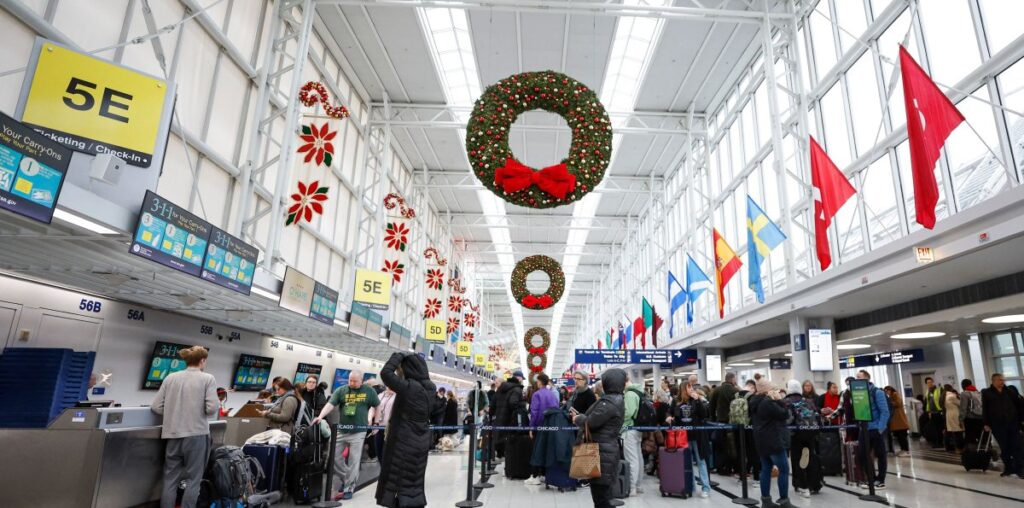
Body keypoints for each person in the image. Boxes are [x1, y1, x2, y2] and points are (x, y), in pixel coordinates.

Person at [150, 345, 218, 508]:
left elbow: (156, 407)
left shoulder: (170, 378)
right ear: (202, 360)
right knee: (193, 480)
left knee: (170, 479)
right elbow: (212, 408)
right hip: (196, 436)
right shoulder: (207, 378)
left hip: (172, 436)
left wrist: (175, 413)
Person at [375, 352, 436, 508]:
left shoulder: (410, 387)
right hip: (420, 438)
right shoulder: (430, 387)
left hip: (404, 440)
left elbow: (385, 373)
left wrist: (398, 355)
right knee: (413, 479)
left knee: (398, 480)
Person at [313, 369, 380, 501]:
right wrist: (320, 416)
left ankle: (349, 487)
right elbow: (330, 404)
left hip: (359, 431)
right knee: (334, 458)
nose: (352, 383)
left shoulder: (369, 391)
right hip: (342, 430)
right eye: (350, 380)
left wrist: (376, 423)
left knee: (354, 460)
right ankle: (347, 479)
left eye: (355, 381)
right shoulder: (342, 390)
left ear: (361, 381)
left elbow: (377, 406)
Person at [571, 368, 626, 508]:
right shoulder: (616, 399)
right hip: (604, 450)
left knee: (600, 498)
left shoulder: (609, 402)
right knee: (603, 496)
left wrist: (578, 418)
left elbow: (591, 422)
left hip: (601, 452)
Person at [749, 379, 794, 508]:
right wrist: (779, 400)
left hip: (761, 440)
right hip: (773, 440)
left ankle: (766, 501)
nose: (776, 392)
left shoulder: (755, 401)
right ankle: (784, 501)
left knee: (766, 470)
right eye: (774, 389)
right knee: (784, 469)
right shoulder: (768, 402)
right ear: (767, 390)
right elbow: (784, 414)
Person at [667, 382, 713, 499]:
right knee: (687, 463)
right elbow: (670, 412)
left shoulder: (696, 399)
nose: (692, 389)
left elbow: (704, 414)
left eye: (692, 387)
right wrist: (668, 417)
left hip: (697, 436)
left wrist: (698, 401)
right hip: (683, 436)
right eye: (689, 387)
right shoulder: (676, 400)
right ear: (683, 388)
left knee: (701, 461)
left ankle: (705, 487)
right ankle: (690, 486)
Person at [981, 373, 1024, 478]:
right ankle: (1008, 469)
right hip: (998, 425)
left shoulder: (1010, 392)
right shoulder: (987, 393)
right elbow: (985, 409)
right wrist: (986, 423)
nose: (1002, 382)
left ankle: (1020, 469)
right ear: (994, 381)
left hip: (1012, 424)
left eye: (1003, 380)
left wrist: (1021, 420)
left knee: (1016, 446)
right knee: (1004, 448)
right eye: (1000, 380)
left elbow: (1019, 406)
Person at [784, 380, 819, 498]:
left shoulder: (787, 402)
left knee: (797, 460)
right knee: (810, 458)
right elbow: (817, 415)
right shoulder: (808, 401)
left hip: (796, 435)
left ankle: (801, 485)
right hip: (810, 434)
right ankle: (814, 484)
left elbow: (788, 420)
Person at [855, 370, 889, 490]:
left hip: (875, 428)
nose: (856, 380)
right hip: (864, 429)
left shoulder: (877, 392)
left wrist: (880, 428)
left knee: (880, 455)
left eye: (859, 377)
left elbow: (885, 411)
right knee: (863, 454)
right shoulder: (859, 393)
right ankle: (871, 478)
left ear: (866, 379)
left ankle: (880, 480)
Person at [525, 373, 560, 485]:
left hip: (539, 426)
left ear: (539, 381)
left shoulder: (536, 394)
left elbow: (534, 412)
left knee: (536, 451)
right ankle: (544, 475)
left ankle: (535, 476)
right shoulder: (552, 394)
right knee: (546, 450)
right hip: (550, 426)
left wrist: (531, 428)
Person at [619, 374, 646, 496]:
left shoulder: (630, 394)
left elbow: (628, 413)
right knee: (638, 458)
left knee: (631, 459)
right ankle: (638, 485)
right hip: (637, 429)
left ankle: (632, 487)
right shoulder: (639, 391)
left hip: (629, 429)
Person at [709, 373, 739, 475]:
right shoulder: (736, 390)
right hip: (732, 423)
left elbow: (711, 406)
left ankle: (721, 467)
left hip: (720, 422)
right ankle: (732, 467)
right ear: (732, 379)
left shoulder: (717, 390)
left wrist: (713, 418)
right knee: (732, 445)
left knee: (720, 446)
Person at [493, 370, 527, 455]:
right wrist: (523, 405)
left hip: (500, 418)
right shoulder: (517, 389)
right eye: (522, 378)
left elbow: (493, 402)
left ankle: (501, 454)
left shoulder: (501, 387)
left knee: (501, 438)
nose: (522, 380)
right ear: (519, 378)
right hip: (510, 420)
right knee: (510, 443)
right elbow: (513, 403)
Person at [884, 386, 910, 457]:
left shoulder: (895, 394)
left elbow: (898, 403)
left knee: (902, 436)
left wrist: (889, 403)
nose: (887, 393)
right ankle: (903, 449)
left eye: (887, 391)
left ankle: (906, 450)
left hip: (900, 420)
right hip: (897, 421)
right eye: (886, 392)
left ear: (891, 390)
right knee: (899, 436)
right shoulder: (891, 396)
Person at [374, 386, 396, 461]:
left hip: (390, 429)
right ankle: (382, 470)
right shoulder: (380, 395)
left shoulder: (398, 396)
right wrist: (370, 419)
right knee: (378, 451)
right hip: (378, 427)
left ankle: (386, 471)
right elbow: (373, 408)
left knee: (387, 453)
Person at [960, 379, 984, 445]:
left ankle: (973, 453)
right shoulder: (978, 392)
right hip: (980, 418)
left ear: (963, 386)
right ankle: (982, 452)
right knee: (981, 436)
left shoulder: (964, 394)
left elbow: (963, 408)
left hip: (970, 419)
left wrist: (961, 420)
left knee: (971, 438)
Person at [923, 377, 944, 448]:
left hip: (939, 411)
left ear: (933, 382)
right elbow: (928, 403)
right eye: (928, 383)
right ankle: (936, 442)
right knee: (934, 429)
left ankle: (941, 442)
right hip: (932, 413)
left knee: (940, 428)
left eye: (930, 382)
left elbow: (942, 400)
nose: (929, 383)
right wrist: (928, 412)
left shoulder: (938, 389)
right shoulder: (927, 391)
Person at [944, 384, 964, 452]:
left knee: (953, 433)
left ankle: (955, 448)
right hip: (955, 414)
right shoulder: (951, 396)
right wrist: (959, 397)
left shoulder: (944, 396)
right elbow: (960, 403)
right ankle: (959, 448)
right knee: (958, 432)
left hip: (949, 414)